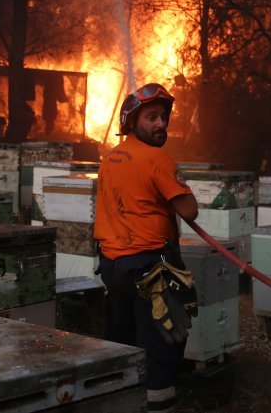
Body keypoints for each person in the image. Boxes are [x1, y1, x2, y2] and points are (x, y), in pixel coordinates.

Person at [94, 82, 199, 413]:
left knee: (122, 340)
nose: (161, 125)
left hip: (114, 269)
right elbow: (189, 210)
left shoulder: (109, 159)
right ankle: (159, 405)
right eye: (152, 117)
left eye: (164, 118)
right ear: (132, 120)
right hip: (151, 270)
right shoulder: (158, 160)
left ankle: (123, 402)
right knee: (161, 349)